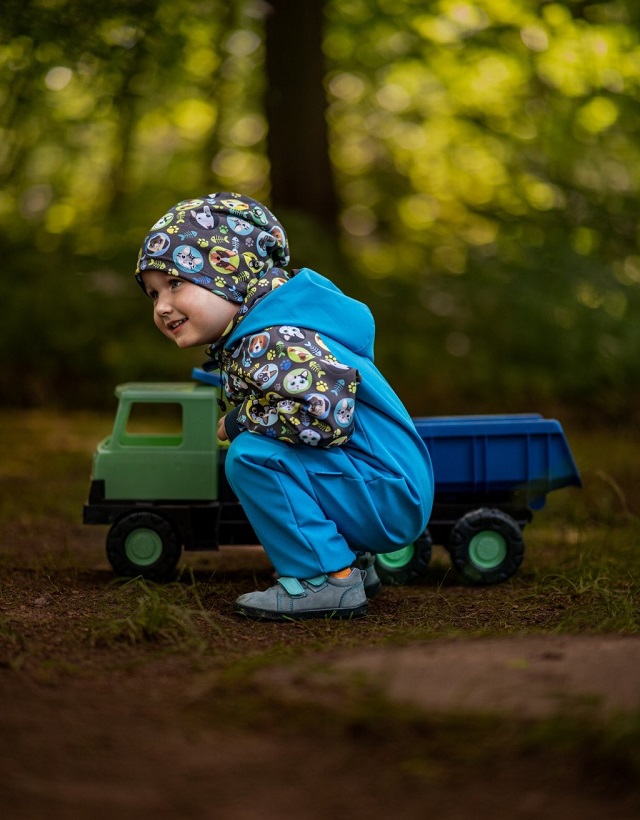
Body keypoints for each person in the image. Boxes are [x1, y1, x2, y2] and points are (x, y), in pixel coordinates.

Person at [135, 192, 434, 620]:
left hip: (387, 493)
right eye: (152, 294)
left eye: (175, 283)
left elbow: (324, 417)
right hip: (386, 484)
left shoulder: (273, 338)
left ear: (229, 272)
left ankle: (325, 579)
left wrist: (240, 420)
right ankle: (351, 563)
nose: (162, 306)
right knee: (269, 449)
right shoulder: (268, 329)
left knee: (253, 457)